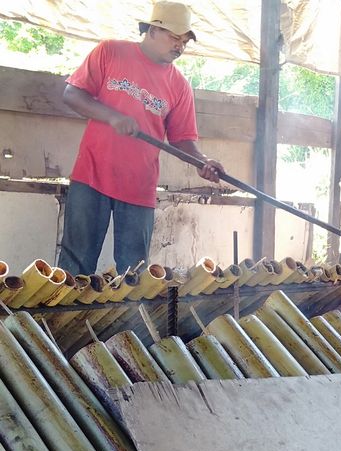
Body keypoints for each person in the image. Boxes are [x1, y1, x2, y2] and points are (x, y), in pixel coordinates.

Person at [58, 1, 225, 275]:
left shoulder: (180, 86)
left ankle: (130, 320)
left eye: (184, 41)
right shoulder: (110, 51)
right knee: (75, 264)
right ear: (153, 30)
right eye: (174, 38)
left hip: (139, 187)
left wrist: (202, 161)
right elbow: (72, 95)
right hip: (91, 176)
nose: (179, 47)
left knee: (133, 273)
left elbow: (182, 139)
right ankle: (61, 319)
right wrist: (112, 117)